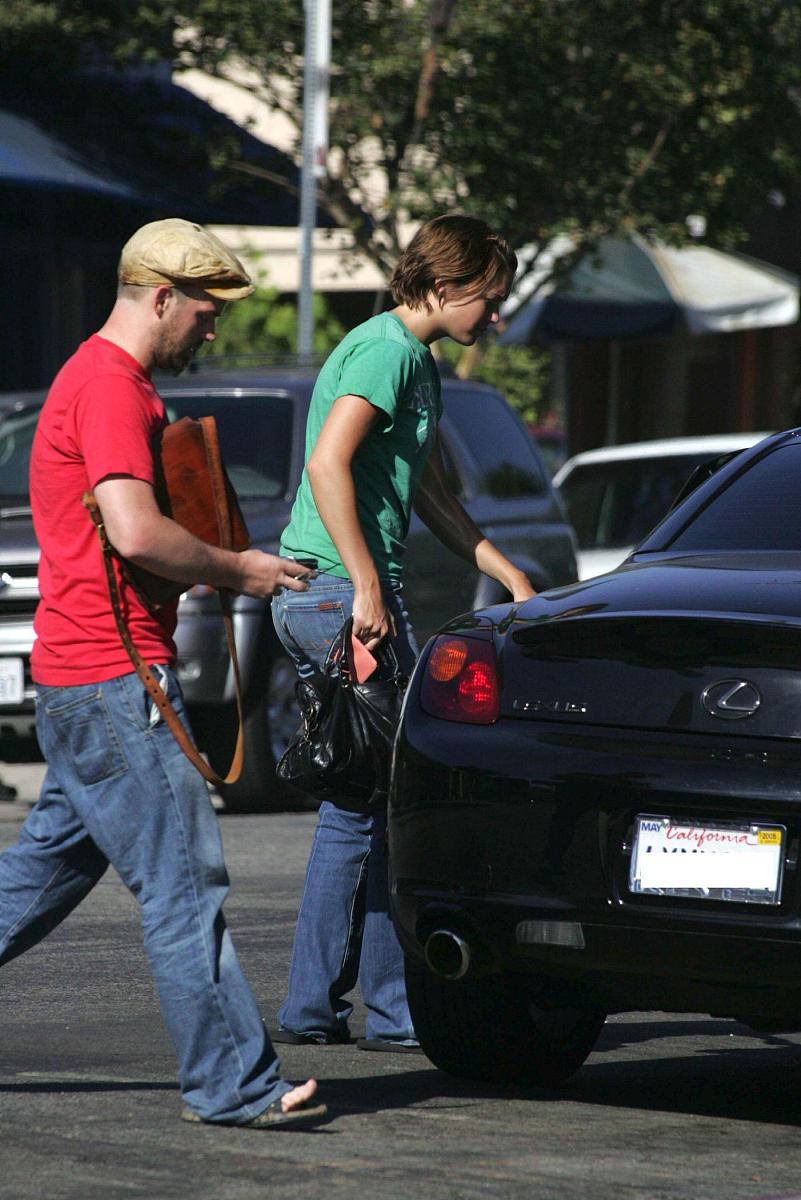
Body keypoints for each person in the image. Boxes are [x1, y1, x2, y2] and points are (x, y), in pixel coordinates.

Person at [0, 218, 327, 1129]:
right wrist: (240, 569)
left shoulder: (94, 377)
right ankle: (233, 1085)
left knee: (36, 880)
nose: (212, 330)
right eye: (206, 312)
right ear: (160, 298)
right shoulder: (112, 386)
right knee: (184, 884)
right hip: (114, 681)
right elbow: (136, 531)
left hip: (79, 679)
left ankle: (230, 1079)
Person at [271, 213, 536, 1052]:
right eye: (488, 298)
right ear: (445, 285)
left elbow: (431, 494)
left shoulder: (417, 362)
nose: (494, 315)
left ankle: (363, 1006)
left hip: (345, 592)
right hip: (333, 595)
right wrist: (362, 586)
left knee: (380, 801)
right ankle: (358, 1008)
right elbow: (325, 462)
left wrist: (509, 573)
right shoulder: (384, 351)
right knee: (372, 805)